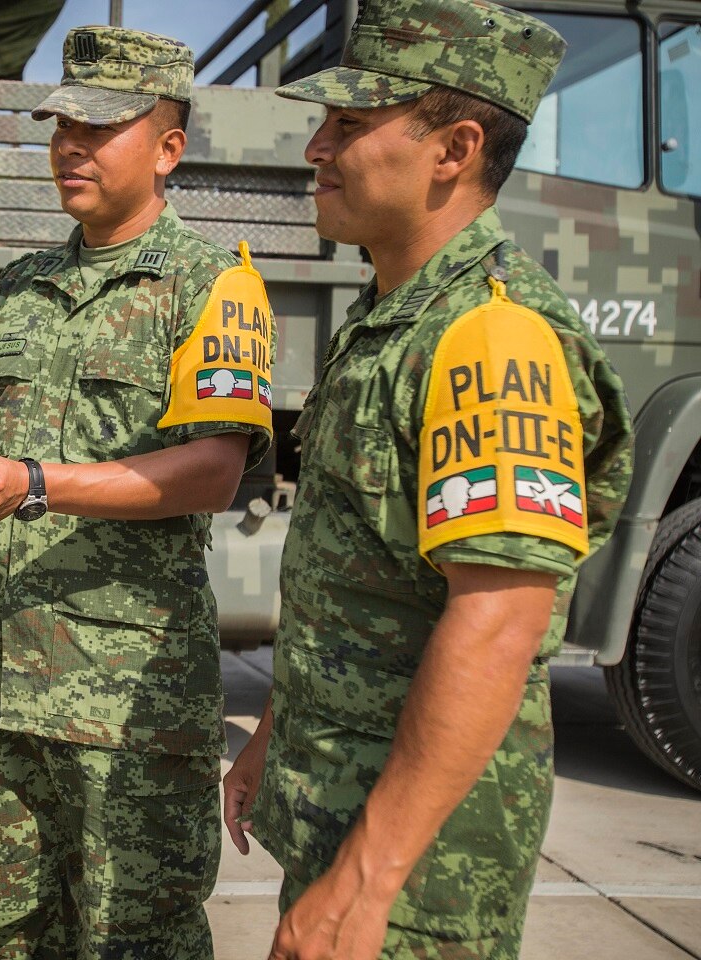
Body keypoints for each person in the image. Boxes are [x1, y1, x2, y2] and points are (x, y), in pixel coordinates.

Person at [220, 2, 634, 958]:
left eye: (351, 126)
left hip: (419, 873)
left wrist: (365, 885)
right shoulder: (393, 316)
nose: (317, 147)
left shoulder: (491, 338)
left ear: (455, 148)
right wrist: (275, 732)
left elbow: (498, 622)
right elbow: (358, 581)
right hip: (344, 815)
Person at [0, 26, 274, 959]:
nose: (70, 145)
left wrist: (30, 484)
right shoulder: (24, 285)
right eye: (62, 124)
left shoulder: (214, 285)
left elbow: (215, 470)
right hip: (9, 686)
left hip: (127, 707)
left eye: (101, 127)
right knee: (14, 938)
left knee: (130, 940)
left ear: (169, 148)